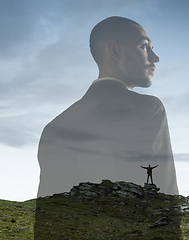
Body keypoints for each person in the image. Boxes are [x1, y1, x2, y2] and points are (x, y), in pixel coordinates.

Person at [36, 16, 179, 197]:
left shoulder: (53, 127)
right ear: (114, 50)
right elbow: (164, 199)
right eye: (144, 46)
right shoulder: (148, 109)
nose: (155, 58)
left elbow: (46, 211)